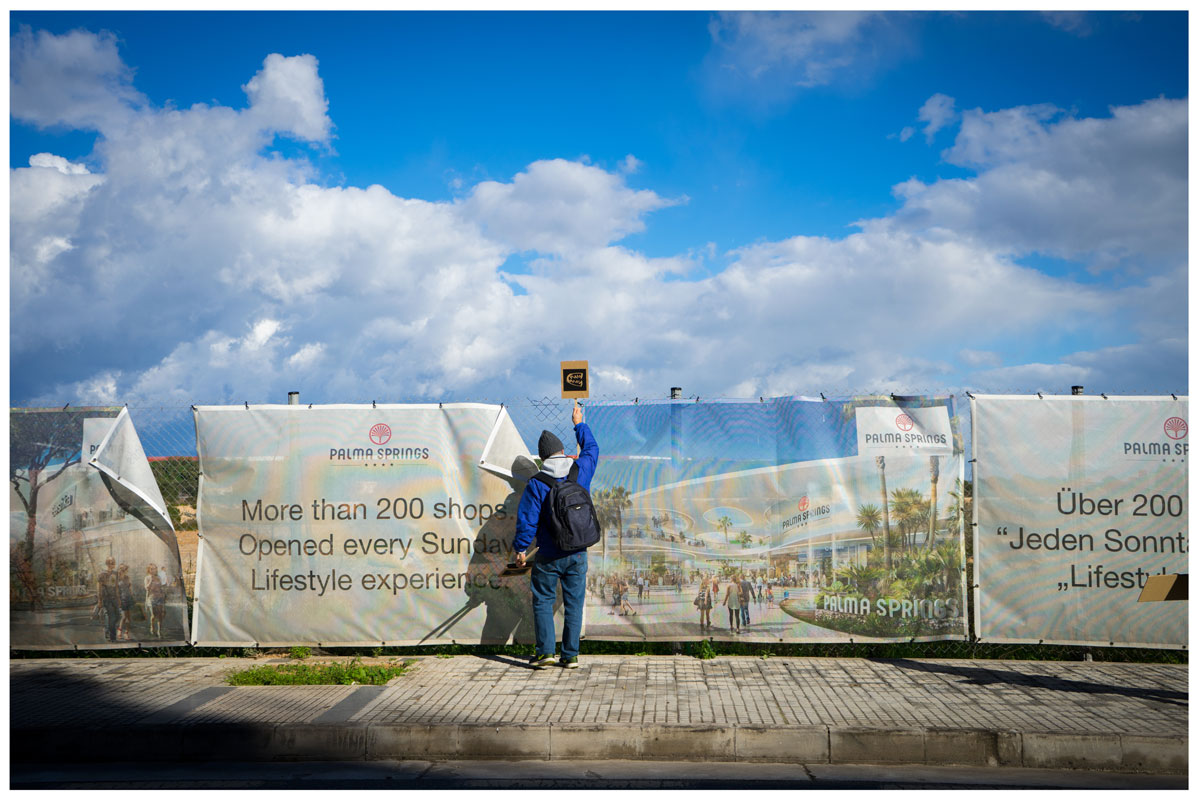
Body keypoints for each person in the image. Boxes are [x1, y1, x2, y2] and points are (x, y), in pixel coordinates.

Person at [513, 401, 599, 670]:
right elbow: (592, 449)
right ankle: (570, 655)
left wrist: (520, 549)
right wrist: (578, 424)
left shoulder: (537, 483)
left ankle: (545, 653)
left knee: (543, 601)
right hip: (578, 551)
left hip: (549, 554)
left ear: (542, 458)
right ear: (562, 452)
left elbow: (528, 520)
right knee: (574, 604)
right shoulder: (579, 470)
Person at [96, 557, 120, 643]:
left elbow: (116, 587)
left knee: (117, 616)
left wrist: (118, 598)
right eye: (110, 562)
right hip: (106, 598)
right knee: (111, 617)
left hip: (114, 598)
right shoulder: (102, 574)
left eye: (113, 562)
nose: (112, 564)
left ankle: (107, 630)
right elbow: (99, 588)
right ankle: (112, 637)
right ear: (107, 564)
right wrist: (99, 600)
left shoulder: (116, 573)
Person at [116, 564, 134, 641]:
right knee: (124, 617)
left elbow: (130, 587)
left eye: (125, 570)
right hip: (122, 599)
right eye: (123, 569)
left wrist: (132, 595)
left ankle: (126, 633)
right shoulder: (117, 579)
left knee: (129, 617)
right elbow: (116, 591)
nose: (124, 571)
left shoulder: (127, 578)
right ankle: (119, 630)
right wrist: (119, 600)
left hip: (128, 598)